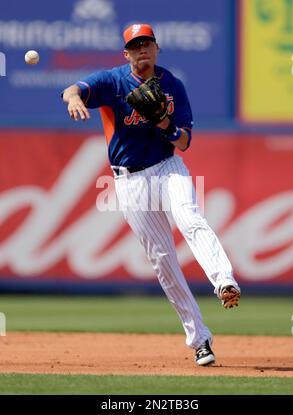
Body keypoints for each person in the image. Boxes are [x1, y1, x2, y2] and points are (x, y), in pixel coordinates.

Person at [62, 23, 241, 366]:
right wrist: (72, 99)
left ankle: (224, 282)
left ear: (157, 48)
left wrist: (164, 123)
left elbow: (184, 142)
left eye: (147, 43)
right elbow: (74, 89)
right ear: (126, 53)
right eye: (135, 45)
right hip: (129, 181)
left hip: (167, 167)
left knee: (192, 220)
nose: (142, 49)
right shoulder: (112, 81)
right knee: (163, 259)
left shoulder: (172, 85)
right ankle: (200, 339)